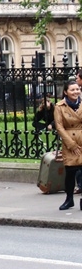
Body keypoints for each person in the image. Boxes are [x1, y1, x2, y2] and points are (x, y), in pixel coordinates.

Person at [53, 80, 82, 210]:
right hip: (70, 141)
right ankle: (69, 199)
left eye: (77, 89)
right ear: (66, 92)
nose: (76, 92)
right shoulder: (59, 106)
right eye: (72, 90)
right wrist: (71, 144)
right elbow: (59, 127)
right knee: (70, 172)